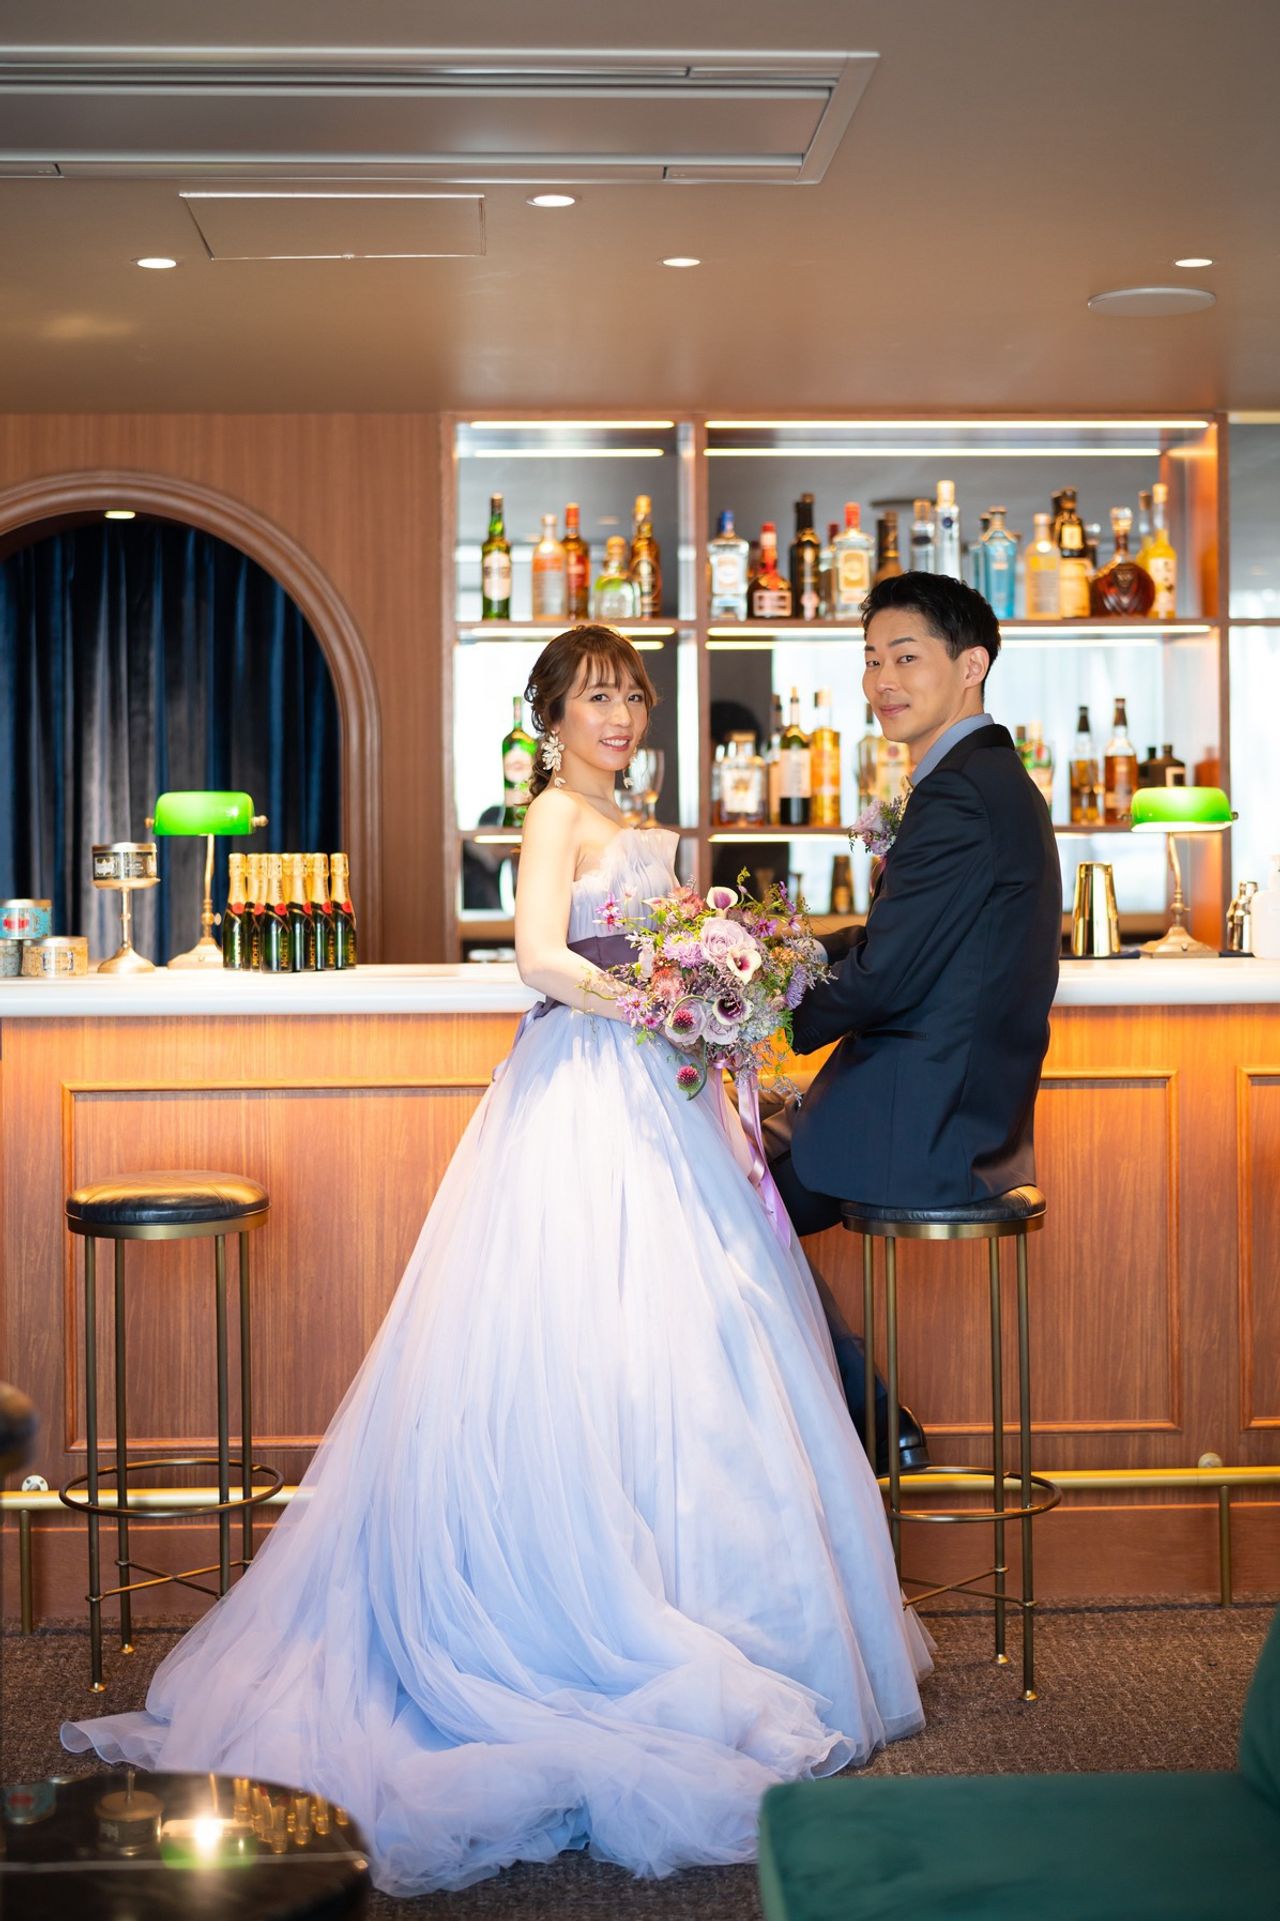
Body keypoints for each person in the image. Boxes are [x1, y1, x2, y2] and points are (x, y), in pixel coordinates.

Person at [64, 624, 930, 1899]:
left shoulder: (640, 824)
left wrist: (707, 1000)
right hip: (582, 1090)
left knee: (689, 1345)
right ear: (551, 717)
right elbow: (535, 958)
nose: (619, 716)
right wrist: (663, 1001)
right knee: (578, 1335)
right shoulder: (552, 816)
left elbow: (649, 951)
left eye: (631, 696)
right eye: (596, 698)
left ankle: (716, 1605)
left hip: (661, 1096)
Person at [769, 571, 1061, 1348]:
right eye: (871, 660)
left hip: (921, 1128)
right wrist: (794, 952)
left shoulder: (959, 793)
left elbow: (884, 977)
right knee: (731, 1178)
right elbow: (907, 935)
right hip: (955, 1115)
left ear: (972, 665)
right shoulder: (987, 778)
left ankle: (860, 1408)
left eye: (905, 657)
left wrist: (760, 1010)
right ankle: (856, 1406)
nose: (881, 682)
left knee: (715, 1206)